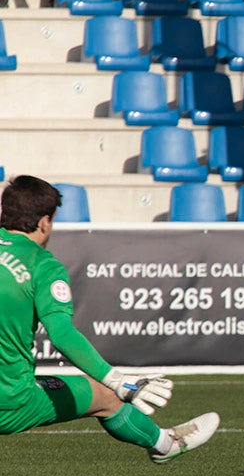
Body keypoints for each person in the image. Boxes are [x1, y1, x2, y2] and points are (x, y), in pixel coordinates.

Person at [0, 175, 220, 461]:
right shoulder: (42, 265)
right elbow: (62, 334)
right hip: (10, 401)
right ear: (45, 221)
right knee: (105, 395)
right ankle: (166, 444)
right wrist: (117, 380)